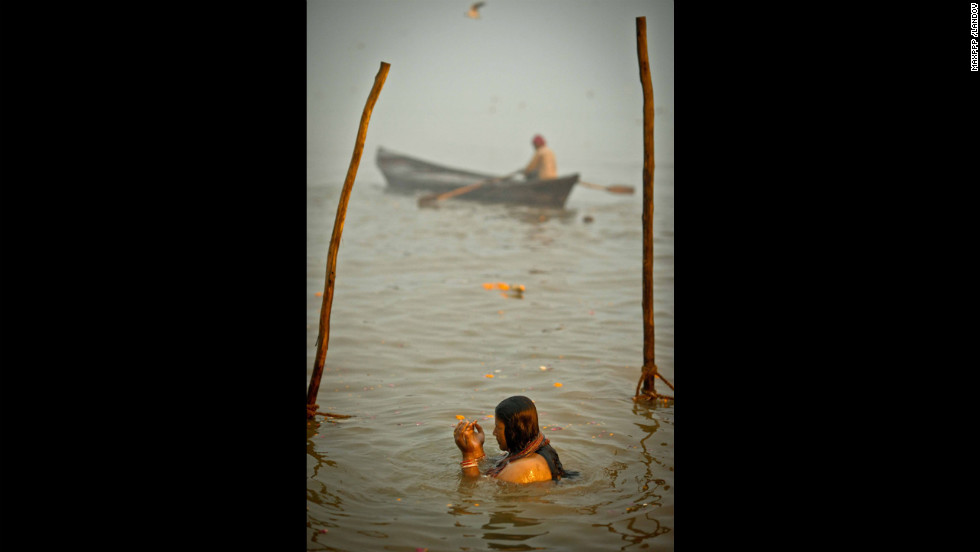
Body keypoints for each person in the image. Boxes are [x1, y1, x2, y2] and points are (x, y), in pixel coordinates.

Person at [453, 395, 577, 483]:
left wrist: (467, 454)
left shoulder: (522, 468)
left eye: (498, 428)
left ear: (513, 430)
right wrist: (476, 448)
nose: (494, 433)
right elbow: (488, 468)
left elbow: (474, 486)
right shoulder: (538, 445)